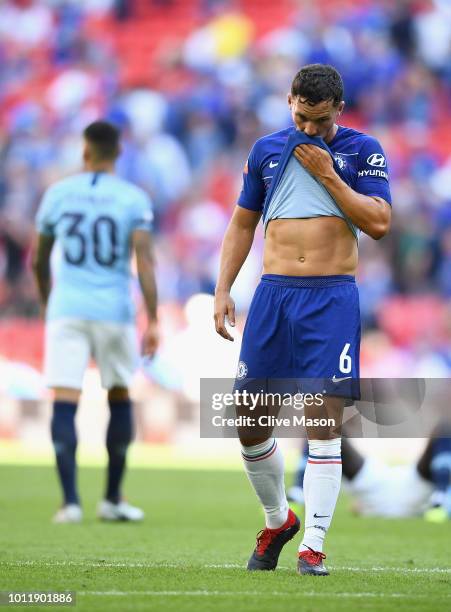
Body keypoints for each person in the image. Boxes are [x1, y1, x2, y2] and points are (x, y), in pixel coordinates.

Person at [214, 64, 392, 576]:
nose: (309, 128)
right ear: (290, 100)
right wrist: (224, 288)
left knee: (322, 420)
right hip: (272, 297)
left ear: (339, 108)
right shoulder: (266, 151)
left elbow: (378, 223)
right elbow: (241, 224)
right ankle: (278, 520)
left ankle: (313, 544)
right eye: (301, 116)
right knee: (248, 421)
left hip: (330, 297)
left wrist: (329, 176)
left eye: (319, 120)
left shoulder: (363, 150)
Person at [32, 120, 159, 523]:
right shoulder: (132, 198)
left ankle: (69, 503)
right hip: (113, 310)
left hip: (67, 308)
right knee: (119, 395)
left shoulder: (58, 194)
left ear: (85, 152)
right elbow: (144, 262)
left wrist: (48, 300)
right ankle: (111, 499)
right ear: (118, 154)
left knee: (65, 400)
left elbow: (38, 259)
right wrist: (153, 318)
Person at [288, 434, 451, 520]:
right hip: (411, 489)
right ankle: (439, 501)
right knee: (322, 425)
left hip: (385, 492)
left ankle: (297, 494)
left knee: (322, 425)